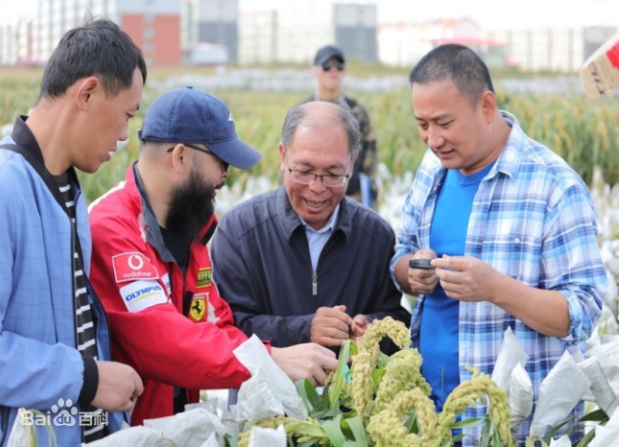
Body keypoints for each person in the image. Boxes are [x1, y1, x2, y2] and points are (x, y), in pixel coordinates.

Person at [390, 43, 607, 444]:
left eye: (443, 122)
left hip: (515, 427)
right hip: (431, 415)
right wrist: (412, 270)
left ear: (486, 105)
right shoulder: (431, 170)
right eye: (422, 124)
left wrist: (495, 289)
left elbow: (583, 311)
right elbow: (401, 251)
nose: (432, 139)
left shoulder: (553, 186)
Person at [87, 87, 339, 426]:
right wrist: (268, 359)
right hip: (122, 431)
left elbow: (216, 323)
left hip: (167, 428)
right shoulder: (112, 228)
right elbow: (162, 340)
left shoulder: (190, 229)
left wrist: (278, 362)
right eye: (221, 160)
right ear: (179, 157)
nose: (227, 173)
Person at [0, 19, 146, 447]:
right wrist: (87, 378)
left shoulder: (68, 188)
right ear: (87, 93)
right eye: (126, 116)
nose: (122, 137)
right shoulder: (2, 187)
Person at [211, 101, 410, 354]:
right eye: (304, 171)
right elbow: (225, 328)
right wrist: (304, 330)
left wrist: (371, 329)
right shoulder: (240, 232)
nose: (317, 188)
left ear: (351, 163)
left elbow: (399, 322)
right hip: (266, 393)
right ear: (283, 156)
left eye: (333, 174)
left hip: (350, 394)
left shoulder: (376, 235)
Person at [301, 44, 378, 209]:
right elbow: (289, 160)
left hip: (350, 198)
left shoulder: (357, 112)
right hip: (311, 199)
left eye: (339, 66)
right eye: (327, 66)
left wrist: (372, 205)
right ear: (315, 71)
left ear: (345, 71)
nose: (333, 70)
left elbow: (370, 160)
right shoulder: (302, 112)